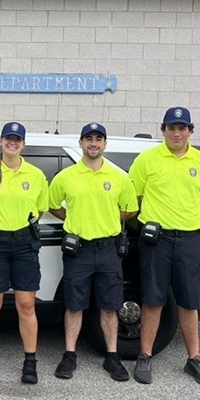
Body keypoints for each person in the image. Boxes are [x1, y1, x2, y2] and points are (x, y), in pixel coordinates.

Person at [129, 107, 200, 387]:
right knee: (153, 299)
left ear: (190, 130)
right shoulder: (147, 160)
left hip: (192, 240)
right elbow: (134, 197)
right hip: (158, 240)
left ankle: (194, 359)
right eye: (171, 128)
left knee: (189, 300)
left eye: (182, 128)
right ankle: (145, 355)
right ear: (163, 130)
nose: (176, 133)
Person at [49, 122, 138, 382]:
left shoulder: (119, 177)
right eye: (88, 138)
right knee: (74, 305)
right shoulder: (66, 177)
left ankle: (112, 356)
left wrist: (107, 218)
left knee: (110, 307)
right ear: (81, 143)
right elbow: (52, 205)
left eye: (98, 138)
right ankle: (69, 355)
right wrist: (74, 218)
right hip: (78, 250)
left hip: (108, 249)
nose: (93, 143)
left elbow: (130, 209)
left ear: (105, 144)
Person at [0, 122, 48, 385]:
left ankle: (30, 362)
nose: (12, 143)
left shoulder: (36, 175)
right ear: (1, 141)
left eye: (17, 139)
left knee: (26, 305)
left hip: (25, 243)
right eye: (8, 138)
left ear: (23, 144)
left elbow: (39, 210)